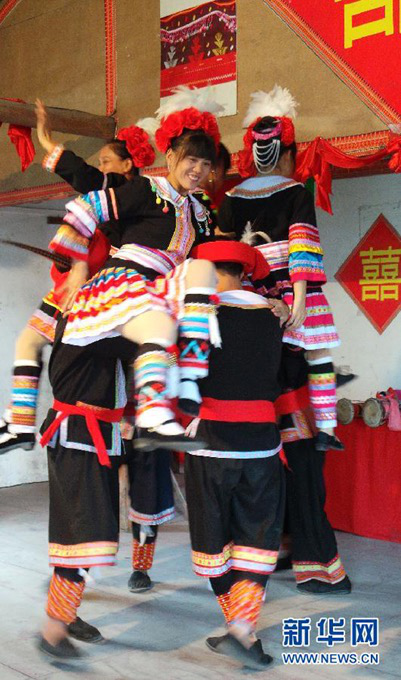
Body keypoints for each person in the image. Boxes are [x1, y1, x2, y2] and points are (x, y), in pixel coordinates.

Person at [48, 89, 223, 450]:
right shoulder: (147, 190)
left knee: (203, 271)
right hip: (126, 279)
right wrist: (79, 267)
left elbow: (212, 257)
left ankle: (187, 384)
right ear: (170, 156)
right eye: (191, 160)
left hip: (161, 285)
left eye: (206, 164)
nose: (198, 170)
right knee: (158, 327)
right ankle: (154, 414)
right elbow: (87, 208)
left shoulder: (200, 212)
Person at [0, 100, 145, 453]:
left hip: (101, 294)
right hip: (88, 291)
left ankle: (23, 424)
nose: (101, 168)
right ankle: (20, 423)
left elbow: (87, 177)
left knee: (117, 364)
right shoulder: (124, 203)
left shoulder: (126, 195)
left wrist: (48, 141)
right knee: (29, 342)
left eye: (107, 161)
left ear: (128, 166)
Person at [218, 87, 343, 452]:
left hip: (250, 291)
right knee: (318, 354)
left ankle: (257, 427)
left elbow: (226, 256)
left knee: (259, 360)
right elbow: (302, 245)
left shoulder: (231, 198)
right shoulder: (296, 192)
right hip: (292, 285)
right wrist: (299, 298)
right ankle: (326, 428)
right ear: (287, 154)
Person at [183, 240, 289, 671]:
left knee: (214, 539)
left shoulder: (199, 315)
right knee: (256, 539)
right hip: (262, 443)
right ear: (244, 273)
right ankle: (243, 630)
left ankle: (240, 629)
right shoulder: (274, 316)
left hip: (212, 443)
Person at [38, 316, 138, 660]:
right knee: (82, 532)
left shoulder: (101, 324)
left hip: (95, 438)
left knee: (87, 532)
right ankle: (53, 630)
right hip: (79, 437)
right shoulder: (88, 320)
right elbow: (144, 346)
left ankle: (65, 612)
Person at [275, 345, 352, 594]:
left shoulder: (297, 331)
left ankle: (326, 574)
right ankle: (291, 550)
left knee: (306, 499)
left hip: (300, 426)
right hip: (282, 426)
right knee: (285, 498)